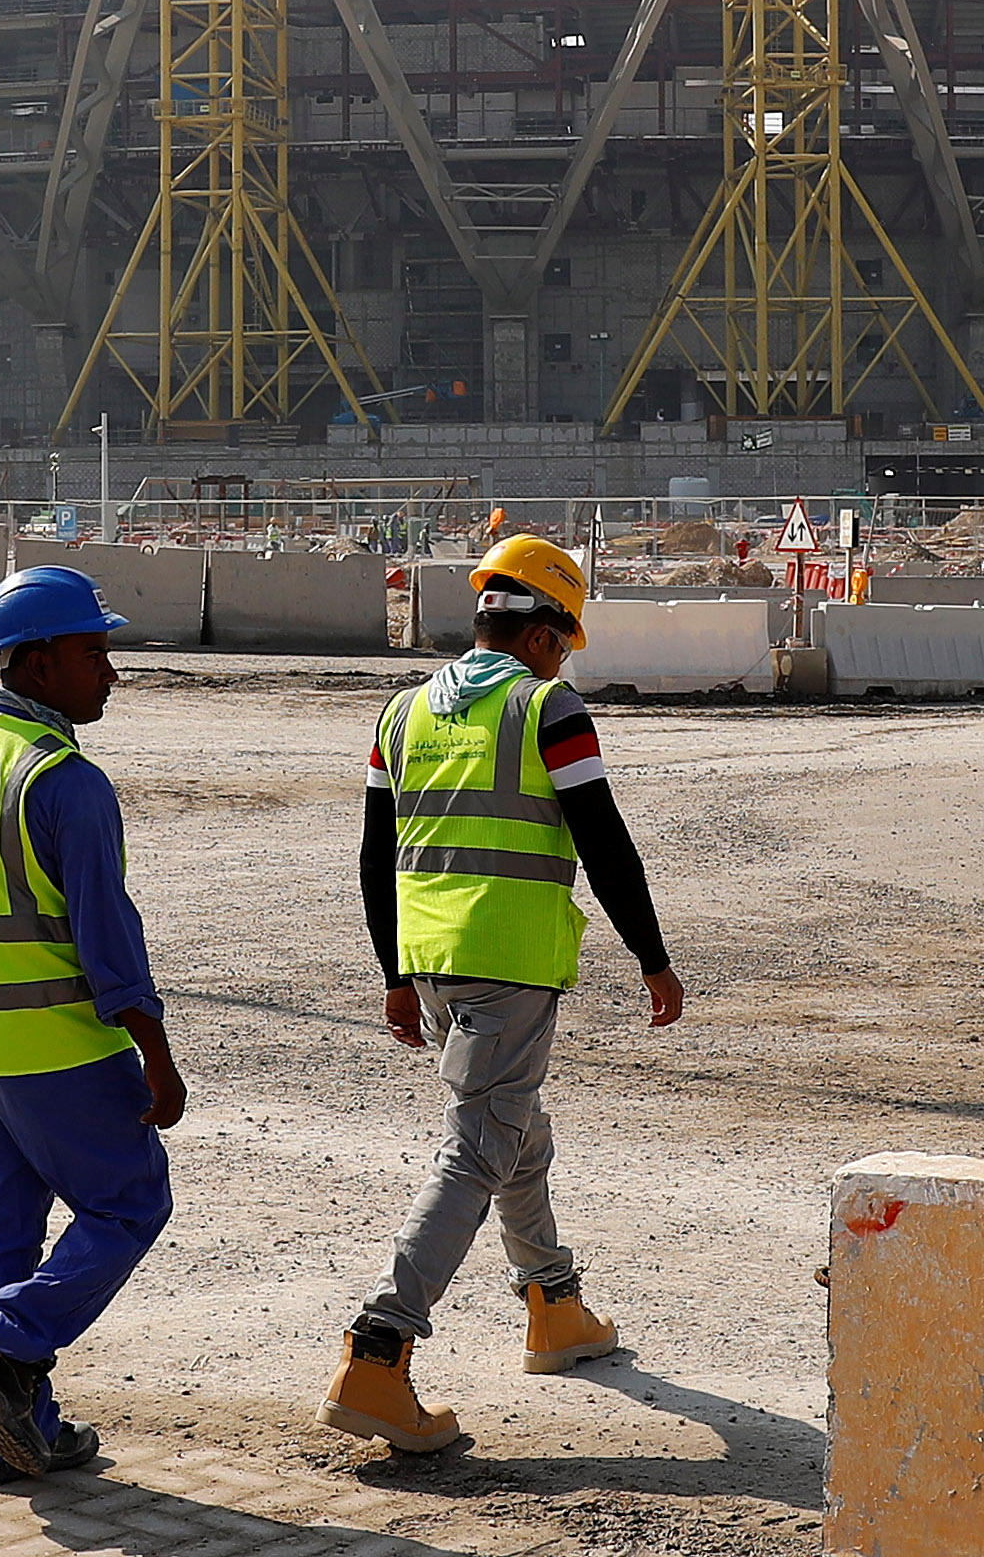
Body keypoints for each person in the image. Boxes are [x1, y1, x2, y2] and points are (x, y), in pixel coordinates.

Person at [324, 534, 684, 1454]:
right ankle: (379, 1350)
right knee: (478, 1149)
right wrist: (652, 956)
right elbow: (604, 839)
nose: (564, 660)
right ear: (540, 636)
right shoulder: (545, 708)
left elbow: (376, 857)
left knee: (514, 1129)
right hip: (510, 960)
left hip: (432, 958)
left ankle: (552, 1305)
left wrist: (394, 976)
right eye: (565, 643)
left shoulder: (401, 712)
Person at [0, 566, 187, 1486]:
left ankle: (3, 1441)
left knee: (3, 1231)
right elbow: (110, 939)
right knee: (129, 1203)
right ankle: (10, 1352)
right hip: (59, 1050)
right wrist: (156, 1056)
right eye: (92, 653)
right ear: (34, 663)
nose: (109, 672)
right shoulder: (66, 782)